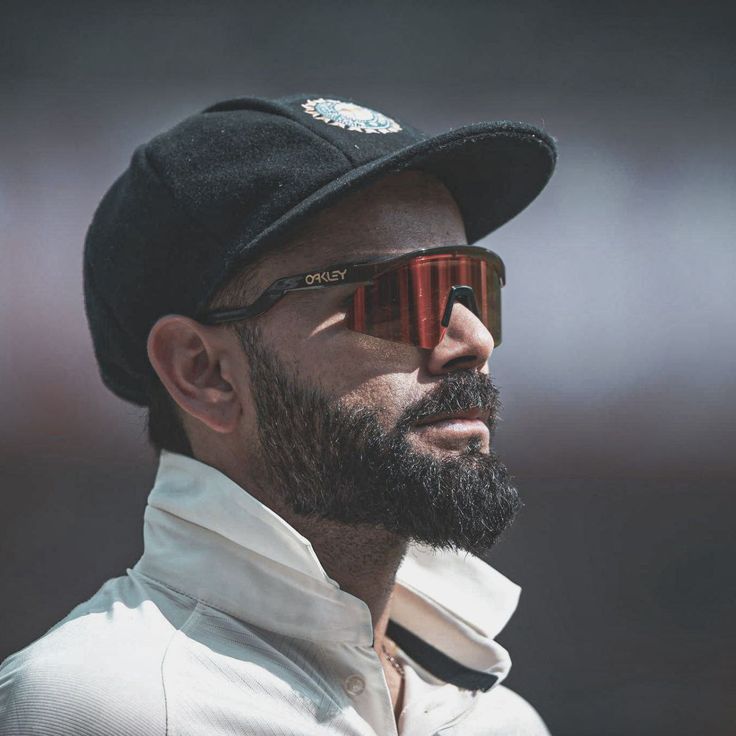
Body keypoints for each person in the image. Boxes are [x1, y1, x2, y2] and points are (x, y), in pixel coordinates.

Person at [0, 94, 556, 735]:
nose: (473, 341)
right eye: (404, 297)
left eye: (472, 286)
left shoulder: (500, 720)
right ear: (203, 372)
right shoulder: (101, 705)